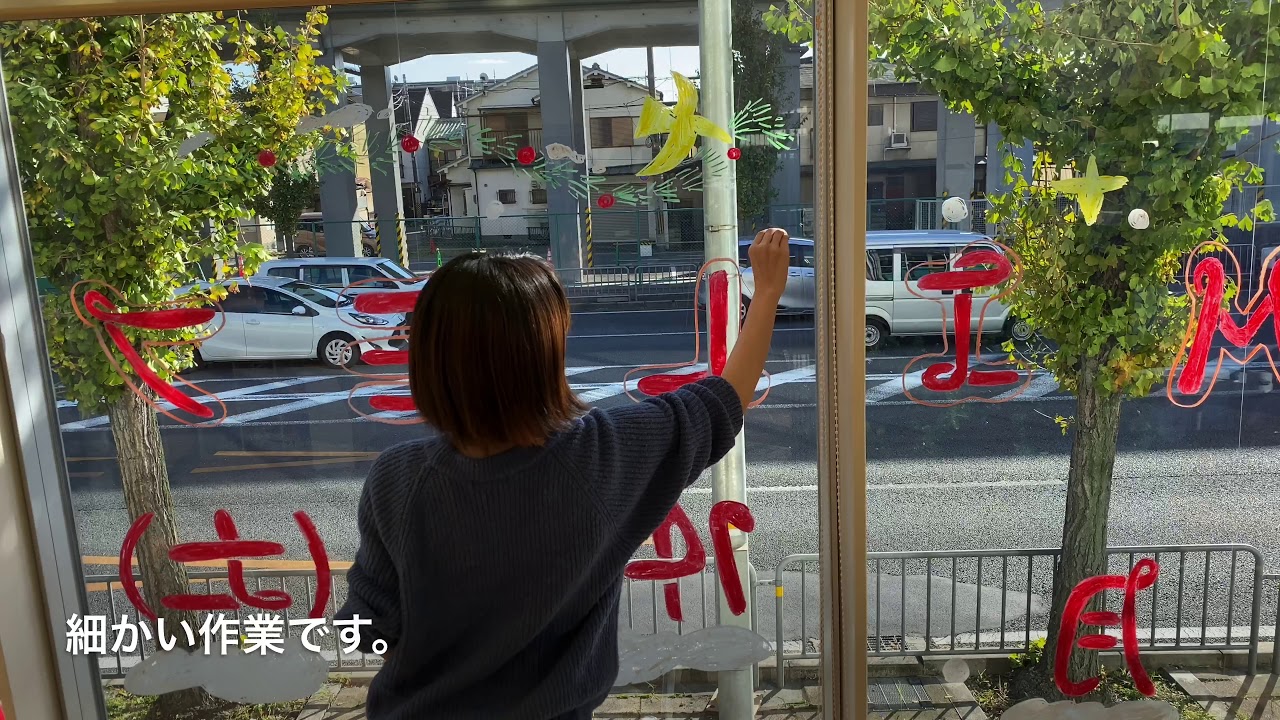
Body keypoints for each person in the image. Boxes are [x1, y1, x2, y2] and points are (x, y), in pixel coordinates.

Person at [335, 229, 792, 719]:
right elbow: (727, 398)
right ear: (542, 354)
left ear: (430, 359)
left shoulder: (398, 479)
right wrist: (765, 293)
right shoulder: (604, 454)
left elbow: (366, 631)